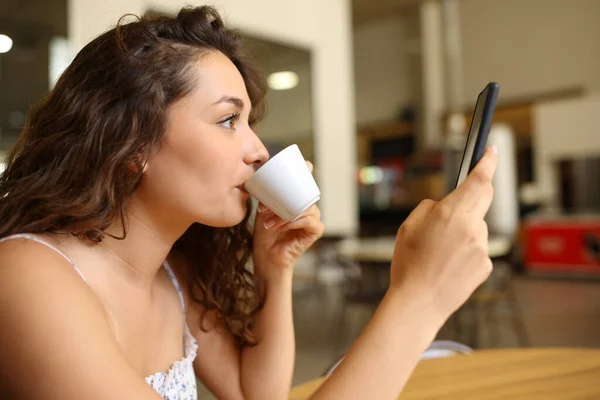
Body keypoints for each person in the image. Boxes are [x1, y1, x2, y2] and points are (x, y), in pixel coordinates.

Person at [0, 6, 498, 400]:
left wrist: (273, 268)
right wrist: (418, 300)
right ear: (133, 145)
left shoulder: (171, 274)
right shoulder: (26, 279)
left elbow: (256, 393)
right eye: (227, 120)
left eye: (249, 122)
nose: (260, 150)